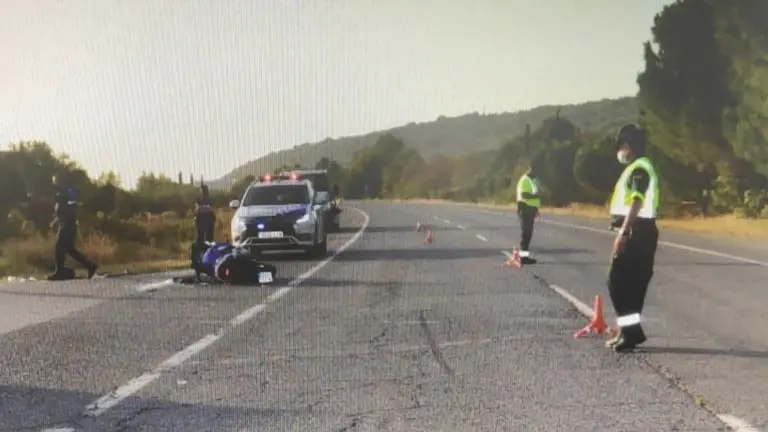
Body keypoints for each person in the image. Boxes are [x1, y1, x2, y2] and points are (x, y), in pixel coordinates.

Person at [605, 124, 660, 353]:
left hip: (637, 232)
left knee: (617, 282)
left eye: (622, 146)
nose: (620, 151)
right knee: (632, 286)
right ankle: (630, 333)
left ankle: (630, 333)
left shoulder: (639, 169)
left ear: (630, 146)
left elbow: (637, 201)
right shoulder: (639, 167)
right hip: (641, 231)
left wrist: (624, 232)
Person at [47, 180, 98, 280]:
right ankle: (90, 266)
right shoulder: (63, 206)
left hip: (67, 229)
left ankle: (60, 271)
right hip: (67, 228)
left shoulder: (65, 206)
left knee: (59, 249)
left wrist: (60, 226)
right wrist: (54, 222)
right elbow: (61, 217)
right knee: (71, 251)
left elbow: (66, 217)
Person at [515, 166, 540, 264]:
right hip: (525, 209)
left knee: (528, 234)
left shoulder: (532, 180)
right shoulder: (525, 180)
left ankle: (524, 257)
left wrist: (535, 209)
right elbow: (524, 195)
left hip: (530, 209)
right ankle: (523, 258)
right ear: (531, 170)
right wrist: (535, 196)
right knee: (526, 234)